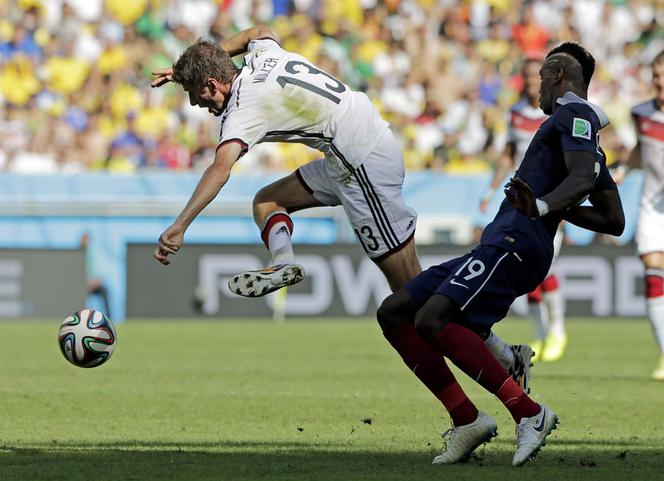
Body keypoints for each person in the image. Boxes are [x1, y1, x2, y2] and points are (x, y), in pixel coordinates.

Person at [150, 25, 532, 389]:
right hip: (350, 149)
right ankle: (284, 260)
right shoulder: (262, 56)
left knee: (413, 301)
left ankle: (500, 365)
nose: (194, 103)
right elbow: (257, 31)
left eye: (194, 93)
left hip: (361, 162)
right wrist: (195, 65)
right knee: (268, 201)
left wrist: (181, 224)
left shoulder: (243, 107)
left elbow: (220, 169)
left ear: (212, 84)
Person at [376, 42, 624, 466]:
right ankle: (468, 414)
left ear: (558, 75)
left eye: (542, 78)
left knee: (433, 319)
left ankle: (529, 413)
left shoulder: (574, 114)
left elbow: (586, 183)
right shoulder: (584, 139)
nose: (536, 87)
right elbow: (612, 218)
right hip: (501, 241)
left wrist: (544, 207)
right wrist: (553, 205)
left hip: (515, 244)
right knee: (396, 311)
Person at [480, 58, 567, 363]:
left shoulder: (560, 113)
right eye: (528, 76)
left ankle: (557, 331)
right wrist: (491, 190)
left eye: (538, 77)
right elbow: (507, 155)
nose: (533, 82)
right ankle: (541, 335)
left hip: (551, 203)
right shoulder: (516, 114)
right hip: (521, 203)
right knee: (526, 270)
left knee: (547, 269)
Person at [617, 49, 664, 381]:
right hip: (652, 206)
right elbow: (641, 150)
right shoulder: (641, 113)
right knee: (652, 269)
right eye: (657, 75)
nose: (659, 82)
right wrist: (623, 168)